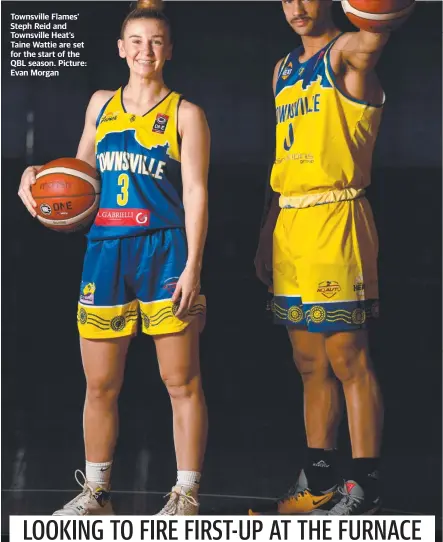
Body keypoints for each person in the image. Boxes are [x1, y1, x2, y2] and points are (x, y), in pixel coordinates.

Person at [18, 0, 210, 516]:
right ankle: (96, 493)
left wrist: (193, 265)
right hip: (105, 251)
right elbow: (81, 173)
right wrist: (38, 174)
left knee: (181, 381)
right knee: (100, 384)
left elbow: (195, 194)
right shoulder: (100, 104)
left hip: (165, 252)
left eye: (156, 41)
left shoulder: (185, 113)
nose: (146, 50)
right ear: (121, 48)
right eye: (136, 41)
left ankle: (186, 493)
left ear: (168, 50)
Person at [251, 0, 413, 516]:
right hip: (290, 224)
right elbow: (280, 155)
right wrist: (265, 232)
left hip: (337, 215)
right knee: (307, 362)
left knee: (348, 359)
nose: (297, 7)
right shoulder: (281, 69)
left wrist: (383, 10)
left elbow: (375, 37)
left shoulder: (344, 52)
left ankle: (365, 487)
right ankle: (319, 481)